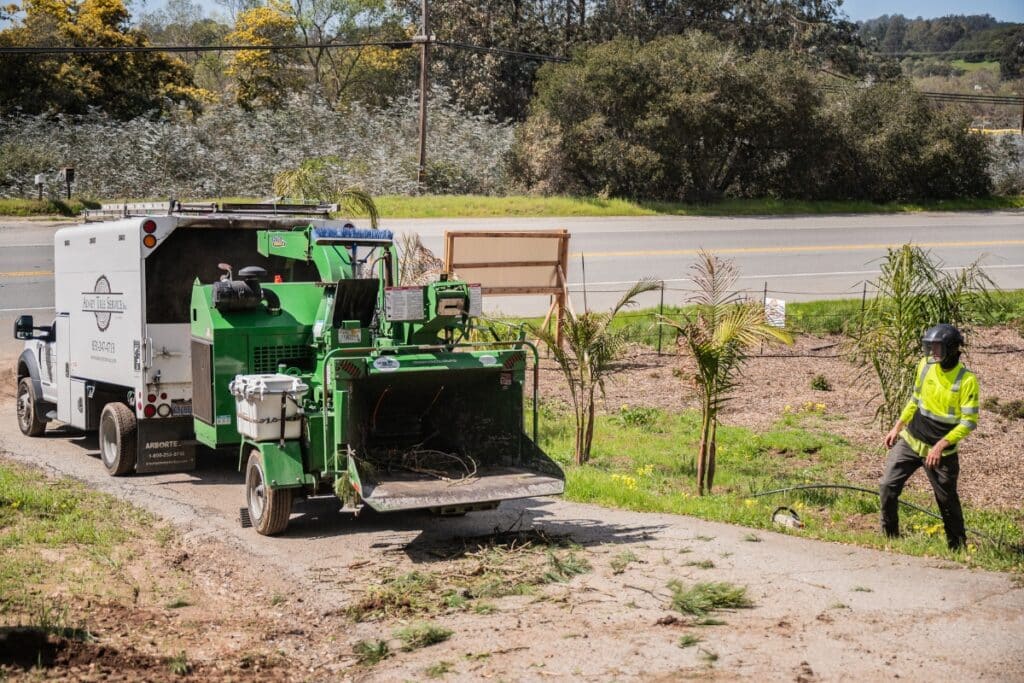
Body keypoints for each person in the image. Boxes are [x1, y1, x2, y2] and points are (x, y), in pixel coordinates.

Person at [881, 324, 979, 551]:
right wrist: (897, 427)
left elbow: (968, 422)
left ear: (952, 350)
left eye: (937, 347)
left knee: (946, 501)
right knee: (887, 486)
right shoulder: (925, 365)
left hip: (941, 452)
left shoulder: (966, 381)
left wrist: (940, 446)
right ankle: (889, 538)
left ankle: (957, 548)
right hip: (912, 440)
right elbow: (915, 399)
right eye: (930, 347)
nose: (932, 352)